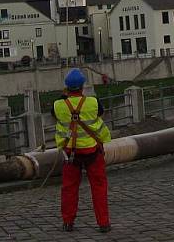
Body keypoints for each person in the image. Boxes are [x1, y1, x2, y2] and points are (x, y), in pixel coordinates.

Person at [53, 68, 112, 233]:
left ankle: (67, 222)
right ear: (82, 86)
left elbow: (55, 113)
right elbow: (100, 112)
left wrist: (64, 97)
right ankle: (103, 223)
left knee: (69, 188)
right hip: (93, 151)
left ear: (67, 87)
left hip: (70, 153)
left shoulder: (59, 105)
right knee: (99, 187)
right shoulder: (93, 102)